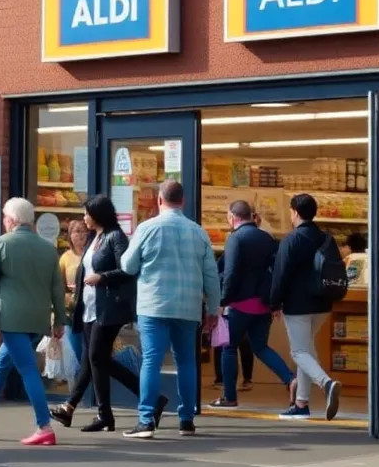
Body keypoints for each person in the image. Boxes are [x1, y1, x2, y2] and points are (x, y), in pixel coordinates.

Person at [50, 195, 166, 432]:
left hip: (109, 308)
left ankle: (106, 412)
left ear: (97, 215)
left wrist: (103, 278)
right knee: (93, 360)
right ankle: (81, 409)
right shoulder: (96, 238)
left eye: (87, 214)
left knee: (95, 358)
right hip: (90, 308)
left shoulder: (115, 237)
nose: (84, 218)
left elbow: (127, 269)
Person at [0, 198, 67, 446]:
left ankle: (44, 426)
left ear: (11, 220)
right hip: (38, 319)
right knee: (0, 365)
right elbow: (57, 289)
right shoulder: (48, 249)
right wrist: (60, 320)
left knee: (28, 369)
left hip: (11, 318)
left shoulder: (4, 243)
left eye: (4, 218)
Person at [120, 180, 219, 439]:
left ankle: (146, 421)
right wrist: (213, 309)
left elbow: (128, 266)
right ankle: (186, 419)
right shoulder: (198, 232)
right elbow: (211, 276)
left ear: (159, 201)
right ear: (183, 201)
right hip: (188, 307)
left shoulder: (147, 228)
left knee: (151, 361)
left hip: (154, 305)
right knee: (186, 361)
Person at [209, 200, 293, 409]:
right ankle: (291, 379)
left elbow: (231, 274)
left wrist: (222, 301)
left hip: (239, 305)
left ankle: (229, 397)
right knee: (261, 347)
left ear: (232, 217)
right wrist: (275, 302)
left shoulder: (236, 239)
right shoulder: (268, 239)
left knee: (228, 347)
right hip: (263, 305)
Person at [270, 193, 342, 421]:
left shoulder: (292, 240)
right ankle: (301, 403)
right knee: (307, 349)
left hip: (297, 305)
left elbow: (280, 274)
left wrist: (274, 302)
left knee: (299, 351)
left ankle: (326, 383)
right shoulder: (325, 238)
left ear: (294, 212)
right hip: (323, 304)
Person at [212, 246, 254, 394]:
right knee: (244, 343)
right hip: (247, 304)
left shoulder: (227, 255)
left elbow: (219, 276)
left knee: (223, 344)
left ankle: (222, 381)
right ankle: (246, 379)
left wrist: (221, 301)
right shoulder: (252, 257)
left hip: (229, 303)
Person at [59, 218, 91, 365]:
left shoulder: (93, 254)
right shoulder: (65, 258)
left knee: (91, 350)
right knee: (74, 351)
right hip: (71, 310)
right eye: (77, 231)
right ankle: (76, 384)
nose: (81, 235)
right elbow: (59, 285)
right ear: (70, 235)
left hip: (91, 308)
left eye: (84, 231)